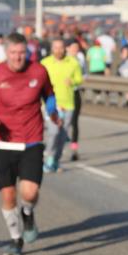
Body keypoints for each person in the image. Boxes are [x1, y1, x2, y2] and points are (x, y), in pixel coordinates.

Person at [0, 32, 58, 255]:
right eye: (13, 53)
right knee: (8, 194)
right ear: (6, 53)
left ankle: (28, 212)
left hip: (31, 139)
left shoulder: (38, 71)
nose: (18, 58)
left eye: (22, 53)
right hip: (3, 142)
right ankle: (15, 239)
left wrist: (52, 110)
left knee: (29, 192)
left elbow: (49, 95)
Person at [40, 37, 84, 173]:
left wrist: (72, 81)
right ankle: (48, 157)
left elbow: (80, 79)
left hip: (68, 103)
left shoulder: (73, 63)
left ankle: (55, 161)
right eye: (55, 48)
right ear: (52, 49)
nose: (58, 50)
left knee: (62, 135)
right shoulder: (45, 63)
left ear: (64, 48)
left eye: (60, 47)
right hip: (51, 103)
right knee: (53, 132)